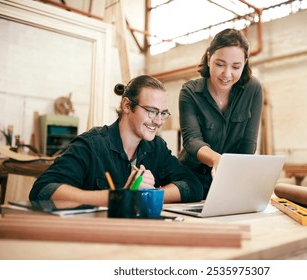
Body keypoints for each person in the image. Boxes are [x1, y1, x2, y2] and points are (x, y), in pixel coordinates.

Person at [30, 75, 203, 206]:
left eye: (163, 113)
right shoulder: (91, 145)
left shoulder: (156, 147)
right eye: (151, 111)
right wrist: (118, 197)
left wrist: (149, 195)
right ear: (127, 106)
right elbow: (42, 191)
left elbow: (193, 186)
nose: (158, 121)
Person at [178, 28, 263, 198]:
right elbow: (192, 141)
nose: (227, 74)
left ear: (245, 63)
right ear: (209, 58)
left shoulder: (253, 89)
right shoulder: (189, 92)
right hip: (190, 177)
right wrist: (218, 160)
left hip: (230, 176)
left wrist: (235, 176)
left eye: (236, 67)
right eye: (220, 64)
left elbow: (248, 143)